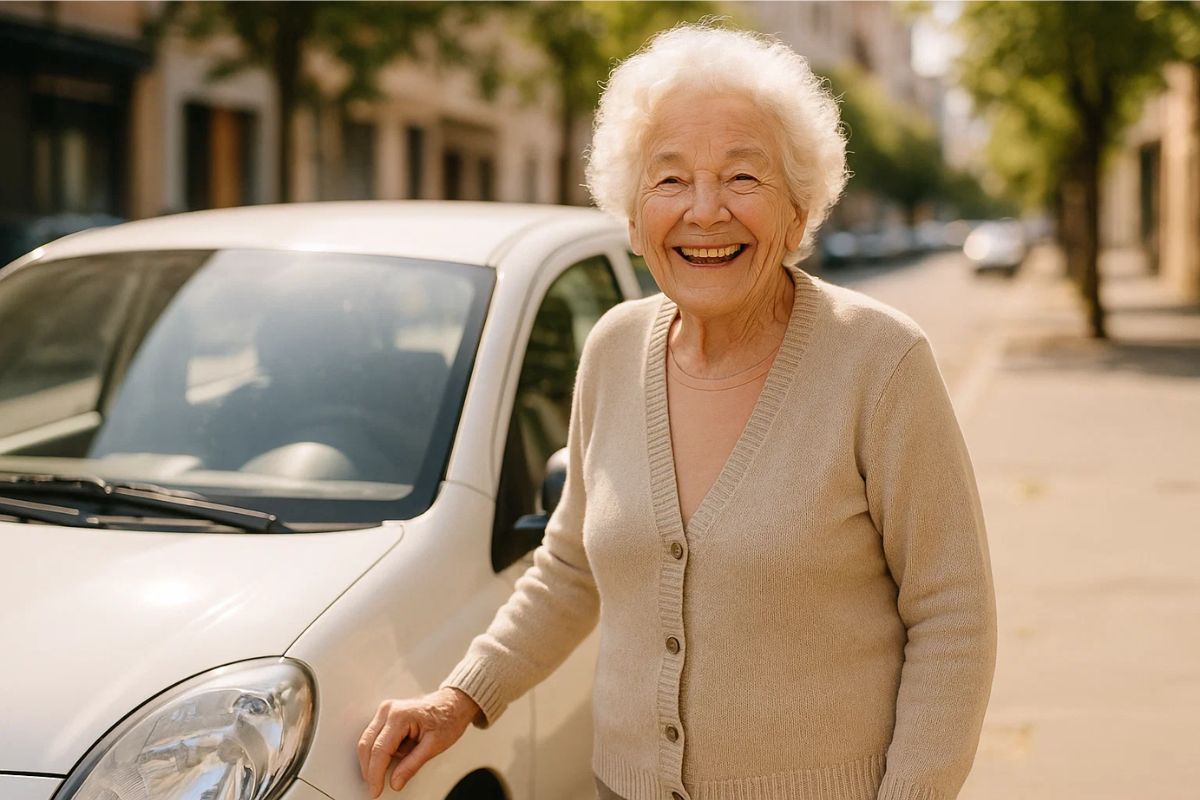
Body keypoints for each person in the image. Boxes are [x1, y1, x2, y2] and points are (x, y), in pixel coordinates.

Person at [359, 23, 997, 800]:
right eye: (669, 180)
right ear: (631, 218)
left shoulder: (881, 362)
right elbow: (570, 569)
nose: (704, 211)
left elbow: (952, 617)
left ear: (799, 211)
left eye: (742, 177)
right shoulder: (613, 350)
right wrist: (461, 695)